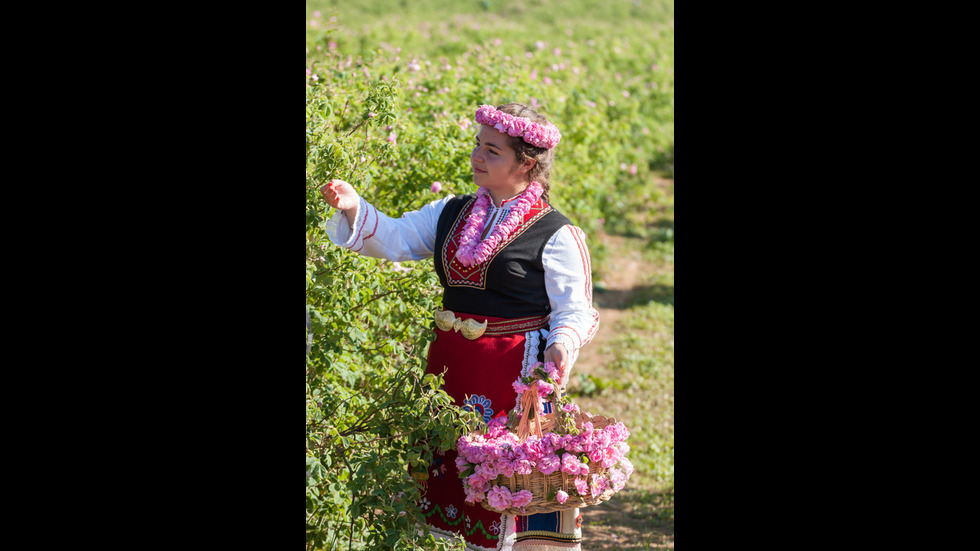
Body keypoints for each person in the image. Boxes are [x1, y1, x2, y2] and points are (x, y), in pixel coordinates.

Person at [321, 103, 599, 551]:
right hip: (450, 372)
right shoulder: (452, 212)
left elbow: (576, 309)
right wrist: (355, 205)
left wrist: (562, 345)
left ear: (526, 162)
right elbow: (394, 237)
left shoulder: (556, 233)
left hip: (514, 377)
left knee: (510, 488)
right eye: (477, 145)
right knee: (452, 477)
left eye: (492, 150)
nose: (477, 157)